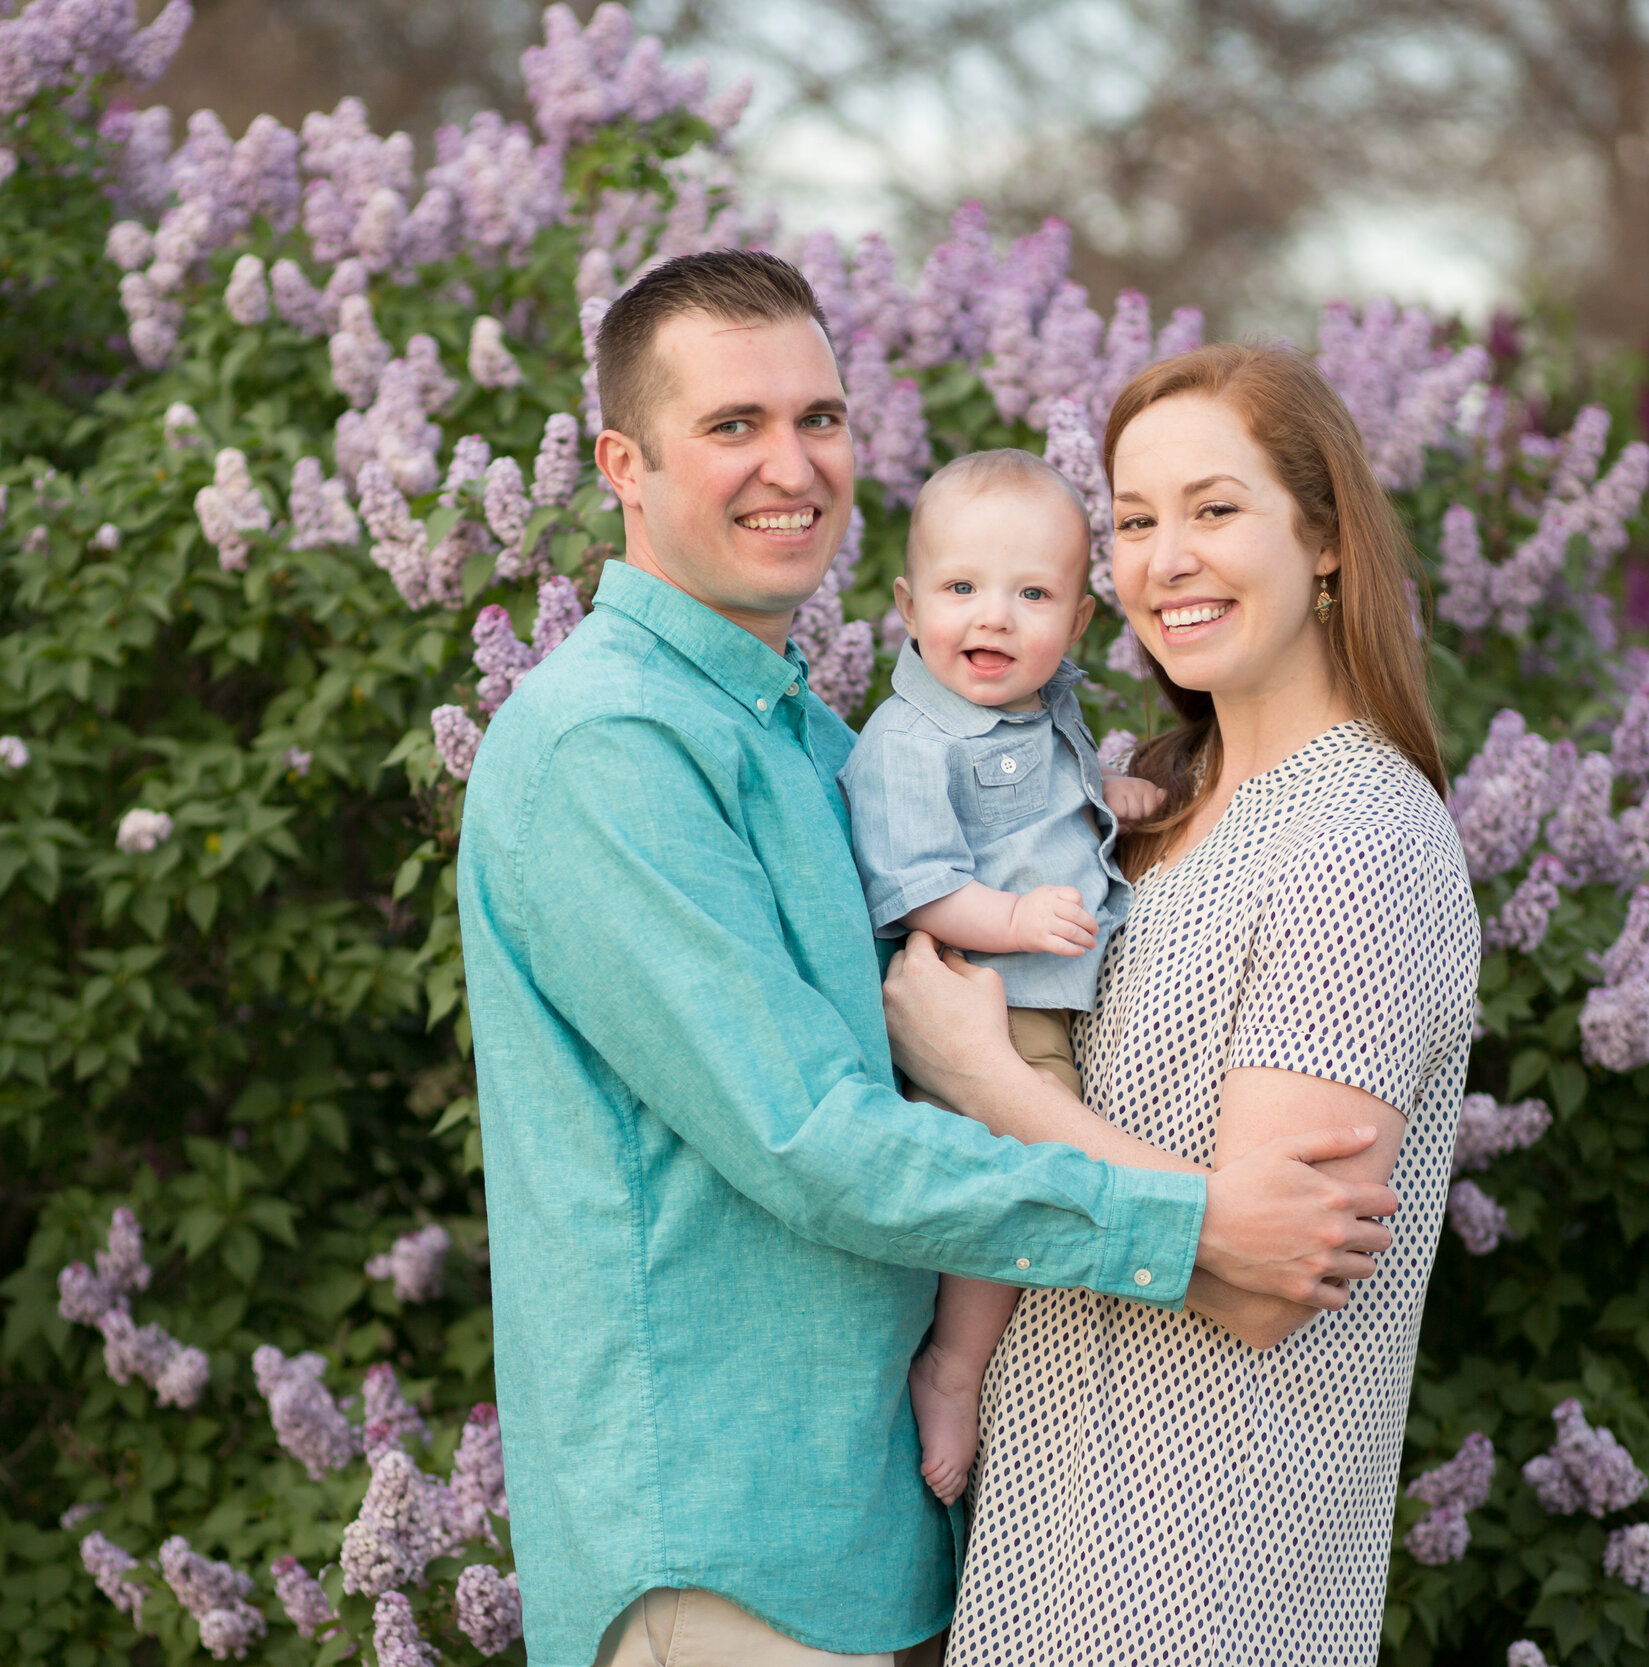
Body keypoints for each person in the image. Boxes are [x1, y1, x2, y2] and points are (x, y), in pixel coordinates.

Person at [457, 251, 1404, 1667]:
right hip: (722, 1547)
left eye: (820, 417)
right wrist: (1196, 1217)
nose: (792, 463)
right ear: (623, 463)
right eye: (732, 425)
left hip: (869, 1533)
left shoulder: (818, 746)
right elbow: (814, 1143)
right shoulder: (609, 748)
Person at [889, 342, 1482, 1665]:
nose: (1165, 559)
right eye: (1136, 521)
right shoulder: (1144, 812)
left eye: (1215, 509)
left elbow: (1269, 1283)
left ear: (1324, 537)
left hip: (1203, 1584)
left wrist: (986, 1080)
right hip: (1042, 1551)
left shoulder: (1358, 841)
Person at [837, 449, 1166, 1504]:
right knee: (1029, 1161)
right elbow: (919, 885)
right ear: (906, 603)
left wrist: (1105, 794)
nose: (994, 617)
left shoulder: (1041, 701)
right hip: (987, 996)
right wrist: (1017, 916)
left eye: (1031, 595)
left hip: (1036, 995)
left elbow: (1034, 799)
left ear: (1075, 624)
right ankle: (955, 1365)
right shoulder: (910, 738)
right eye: (962, 587)